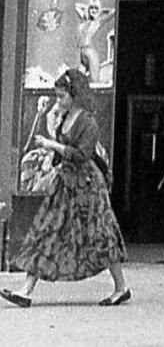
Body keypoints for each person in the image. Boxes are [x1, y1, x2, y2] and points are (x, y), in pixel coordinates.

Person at [1, 67, 129, 309]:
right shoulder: (63, 117)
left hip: (88, 186)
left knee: (100, 234)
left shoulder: (88, 122)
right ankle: (26, 290)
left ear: (75, 95)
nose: (58, 100)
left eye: (62, 96)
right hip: (66, 183)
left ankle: (121, 287)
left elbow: (82, 154)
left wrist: (52, 146)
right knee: (46, 229)